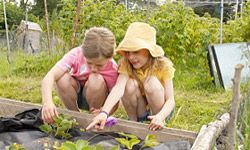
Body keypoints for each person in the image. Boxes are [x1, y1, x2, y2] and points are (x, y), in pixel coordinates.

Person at [86, 22, 175, 131]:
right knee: (129, 84)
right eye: (128, 52)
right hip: (141, 109)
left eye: (136, 52)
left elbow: (170, 100)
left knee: (151, 83)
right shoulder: (127, 64)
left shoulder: (163, 65)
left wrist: (160, 116)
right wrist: (105, 112)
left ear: (148, 51)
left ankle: (157, 123)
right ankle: (133, 122)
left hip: (161, 111)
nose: (131, 57)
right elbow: (119, 88)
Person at [41, 27, 118, 124]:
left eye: (99, 65)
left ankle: (92, 116)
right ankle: (75, 115)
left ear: (110, 57)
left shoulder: (113, 68)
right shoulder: (76, 54)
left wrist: (104, 112)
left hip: (97, 96)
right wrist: (47, 102)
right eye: (89, 63)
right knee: (62, 79)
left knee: (96, 78)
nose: (93, 68)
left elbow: (115, 100)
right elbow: (49, 76)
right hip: (76, 93)